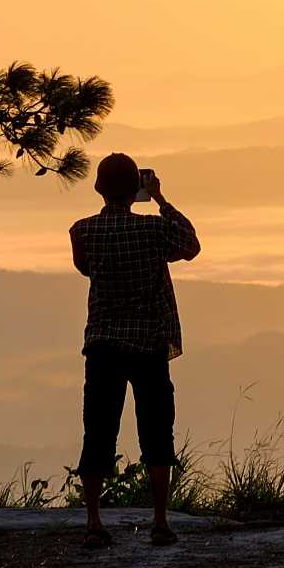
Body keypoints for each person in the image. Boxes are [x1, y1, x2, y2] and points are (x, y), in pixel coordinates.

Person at [69, 151, 201, 547]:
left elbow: (85, 268)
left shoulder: (82, 231)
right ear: (137, 188)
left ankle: (93, 521)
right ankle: (160, 520)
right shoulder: (152, 231)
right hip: (149, 344)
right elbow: (190, 244)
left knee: (98, 432)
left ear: (97, 187)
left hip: (103, 345)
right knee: (158, 433)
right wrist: (161, 199)